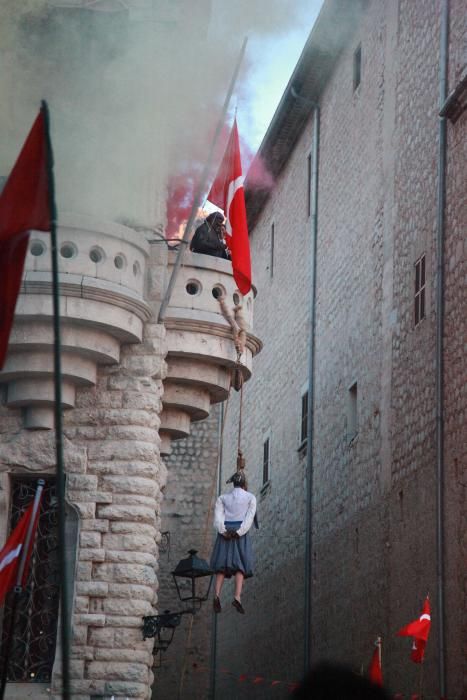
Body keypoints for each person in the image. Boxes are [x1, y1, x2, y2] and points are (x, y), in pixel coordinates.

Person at [210, 470, 256, 614]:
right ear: (244, 484)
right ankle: (237, 596)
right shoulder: (250, 497)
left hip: (225, 532)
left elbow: (217, 518)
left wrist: (223, 530)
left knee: (221, 567)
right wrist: (239, 532)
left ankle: (217, 594)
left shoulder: (222, 498)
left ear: (233, 483)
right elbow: (249, 518)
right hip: (239, 533)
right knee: (240, 566)